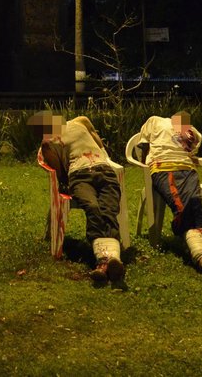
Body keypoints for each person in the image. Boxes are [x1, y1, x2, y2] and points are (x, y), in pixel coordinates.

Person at [34, 112, 125, 282]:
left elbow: (100, 145)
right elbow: (59, 172)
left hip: (104, 169)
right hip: (79, 174)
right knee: (92, 207)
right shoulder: (47, 144)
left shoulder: (81, 121)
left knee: (109, 208)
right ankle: (109, 260)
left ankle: (105, 263)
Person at [134, 111, 202, 270]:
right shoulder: (154, 120)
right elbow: (143, 144)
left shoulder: (191, 130)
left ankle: (199, 252)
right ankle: (199, 253)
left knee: (195, 200)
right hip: (164, 167)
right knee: (181, 205)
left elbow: (192, 150)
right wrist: (146, 165)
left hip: (187, 168)